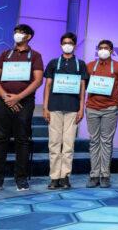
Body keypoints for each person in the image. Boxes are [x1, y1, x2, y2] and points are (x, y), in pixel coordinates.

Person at [0, 24, 43, 192]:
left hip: (24, 103)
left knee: (22, 140)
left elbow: (38, 80)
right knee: (1, 139)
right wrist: (6, 97)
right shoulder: (5, 54)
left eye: (21, 32)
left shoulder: (35, 56)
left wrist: (18, 97)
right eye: (16, 32)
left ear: (29, 36)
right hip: (3, 101)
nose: (17, 35)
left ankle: (21, 178)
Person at [42, 32, 88, 190]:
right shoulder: (54, 63)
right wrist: (45, 107)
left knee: (68, 145)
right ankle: (54, 177)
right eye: (64, 42)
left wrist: (81, 108)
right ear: (61, 45)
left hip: (72, 108)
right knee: (54, 143)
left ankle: (65, 176)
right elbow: (47, 85)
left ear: (74, 45)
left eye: (70, 42)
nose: (67, 45)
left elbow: (82, 88)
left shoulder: (80, 64)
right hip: (54, 107)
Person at [85, 40, 118, 188]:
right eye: (101, 48)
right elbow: (83, 85)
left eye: (106, 48)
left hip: (110, 108)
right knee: (94, 141)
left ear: (111, 51)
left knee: (106, 142)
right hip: (91, 107)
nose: (103, 50)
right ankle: (94, 175)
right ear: (97, 50)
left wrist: (115, 97)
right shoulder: (90, 66)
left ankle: (105, 175)